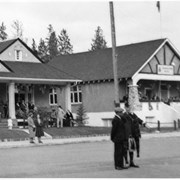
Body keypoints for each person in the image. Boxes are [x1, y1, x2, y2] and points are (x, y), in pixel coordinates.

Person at [123, 102, 145, 168]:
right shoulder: (124, 115)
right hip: (127, 135)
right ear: (126, 108)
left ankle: (131, 162)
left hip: (134, 134)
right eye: (128, 107)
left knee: (131, 149)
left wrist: (143, 123)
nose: (130, 109)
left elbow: (138, 119)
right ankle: (126, 162)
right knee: (126, 149)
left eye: (131, 107)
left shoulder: (133, 115)